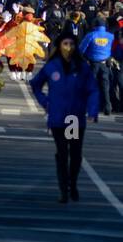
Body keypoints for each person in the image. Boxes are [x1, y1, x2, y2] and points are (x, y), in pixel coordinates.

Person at [30, 31, 100, 203]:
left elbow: (92, 90)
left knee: (75, 154)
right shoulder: (52, 66)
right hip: (57, 116)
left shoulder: (82, 67)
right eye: (65, 44)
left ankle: (72, 183)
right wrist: (45, 102)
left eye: (71, 44)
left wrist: (92, 111)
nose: (68, 48)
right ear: (60, 46)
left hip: (74, 118)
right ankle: (63, 189)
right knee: (62, 153)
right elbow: (36, 85)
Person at [79, 14, 114, 116]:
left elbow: (81, 50)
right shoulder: (110, 36)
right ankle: (107, 107)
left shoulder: (91, 35)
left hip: (92, 64)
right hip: (105, 64)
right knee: (105, 87)